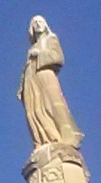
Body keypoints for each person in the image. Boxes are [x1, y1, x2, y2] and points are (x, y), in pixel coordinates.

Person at [17, 16, 84, 148]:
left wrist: (39, 54)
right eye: (35, 23)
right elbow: (26, 68)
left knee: (52, 105)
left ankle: (66, 136)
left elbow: (58, 58)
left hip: (45, 74)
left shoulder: (51, 39)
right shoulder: (32, 48)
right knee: (35, 110)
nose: (38, 25)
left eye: (40, 22)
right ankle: (43, 140)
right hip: (32, 80)